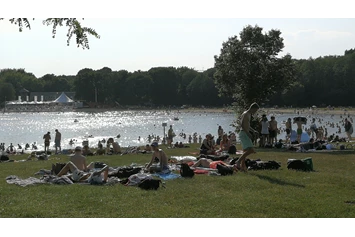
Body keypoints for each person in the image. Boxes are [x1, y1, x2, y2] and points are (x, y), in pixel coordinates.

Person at [236, 102, 260, 172]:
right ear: (253, 108)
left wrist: (253, 130)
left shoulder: (248, 114)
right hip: (244, 133)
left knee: (245, 151)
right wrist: (247, 133)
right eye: (255, 110)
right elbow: (242, 125)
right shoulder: (246, 114)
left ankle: (242, 167)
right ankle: (238, 161)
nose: (255, 112)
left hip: (244, 132)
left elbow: (247, 125)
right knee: (251, 150)